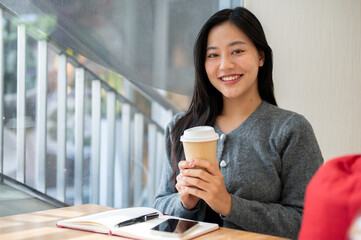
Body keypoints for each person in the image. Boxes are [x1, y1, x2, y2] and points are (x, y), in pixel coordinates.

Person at [153, 6, 323, 240]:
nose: (225, 65)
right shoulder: (180, 127)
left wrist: (229, 204)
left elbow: (310, 221)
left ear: (261, 56)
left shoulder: (291, 130)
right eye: (213, 55)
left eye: (237, 51)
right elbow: (159, 212)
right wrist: (185, 202)